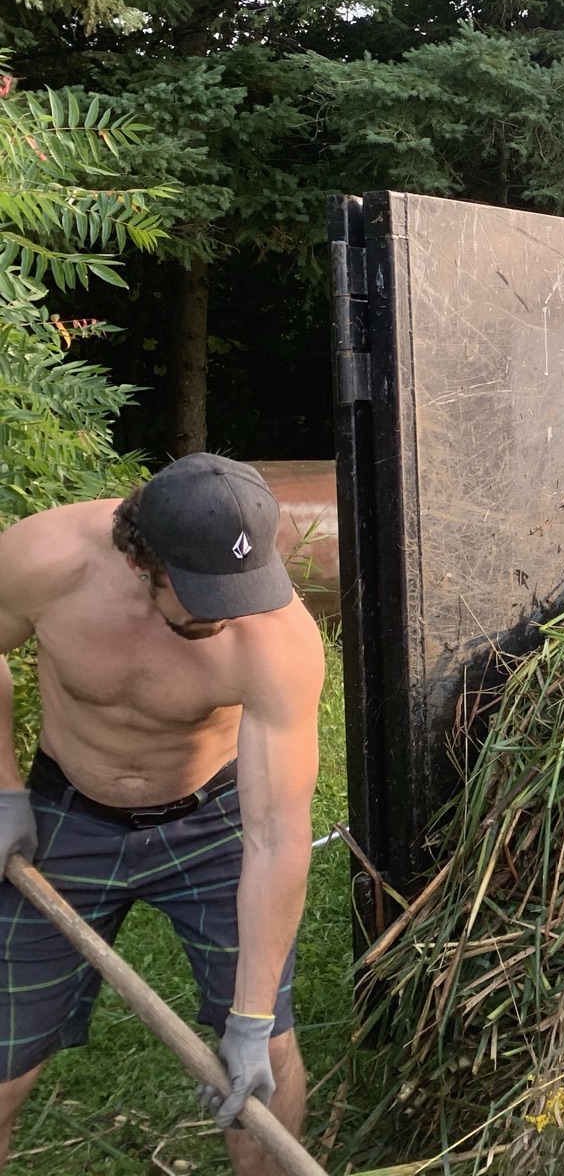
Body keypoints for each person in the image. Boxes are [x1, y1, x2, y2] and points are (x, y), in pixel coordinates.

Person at [0, 454, 324, 1174]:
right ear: (144, 562)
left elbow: (276, 837)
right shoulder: (45, 559)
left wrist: (249, 1019)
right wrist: (4, 790)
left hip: (213, 827)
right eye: (207, 593)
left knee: (264, 1057)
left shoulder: (277, 638)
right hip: (66, 819)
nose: (233, 610)